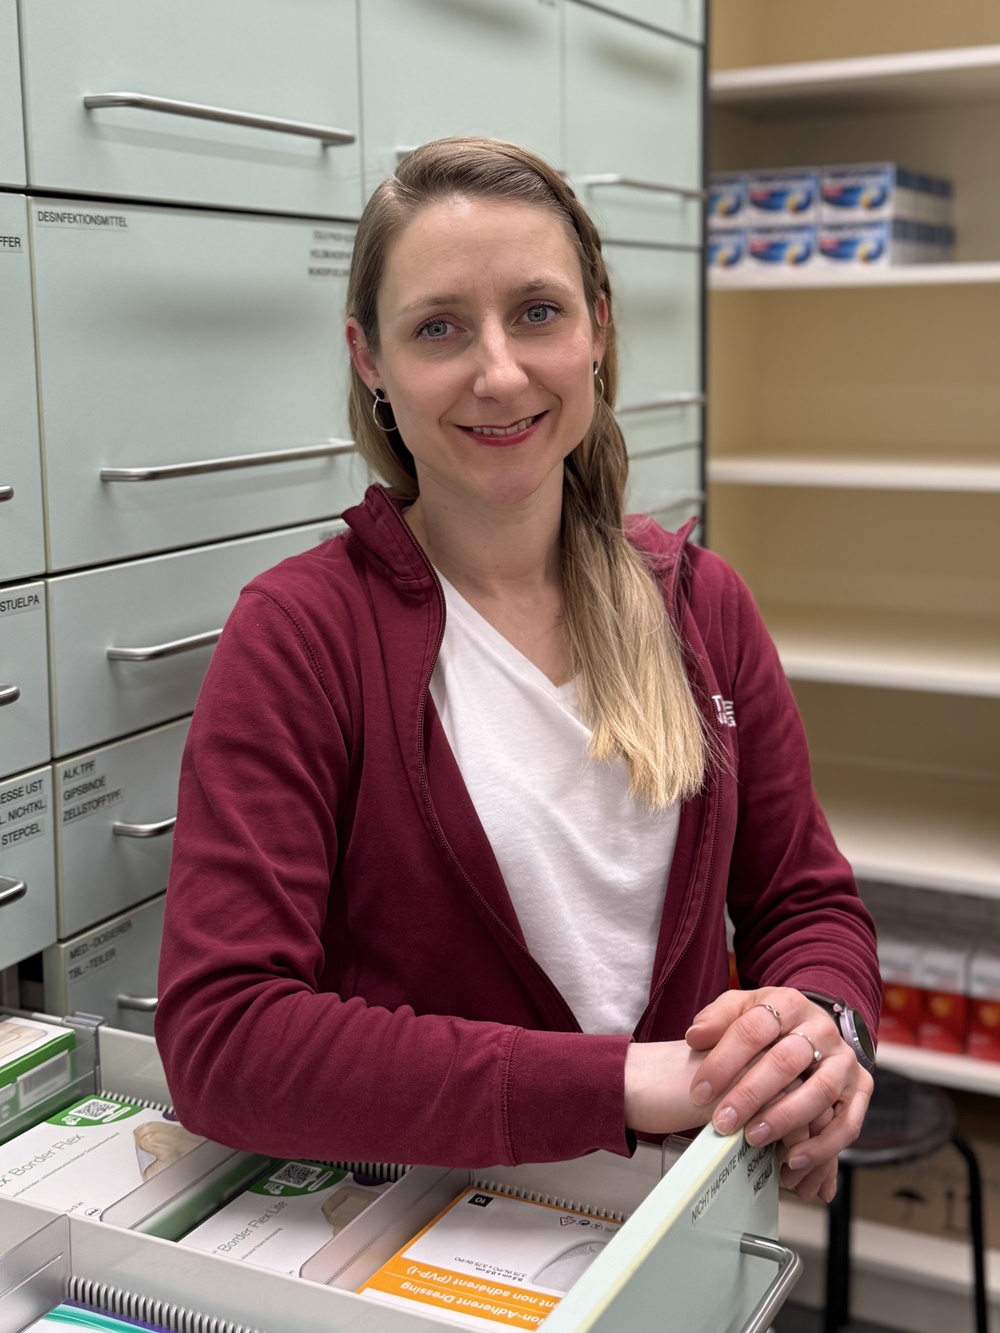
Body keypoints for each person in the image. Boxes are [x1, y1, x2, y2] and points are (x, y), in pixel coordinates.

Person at [156, 136, 880, 1204]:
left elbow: (805, 902)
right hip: (425, 1242)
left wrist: (821, 1026)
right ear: (370, 359)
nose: (499, 373)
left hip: (675, 1227)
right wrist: (624, 1084)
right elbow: (226, 1039)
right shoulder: (302, 636)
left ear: (597, 329)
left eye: (537, 312)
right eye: (438, 327)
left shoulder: (699, 605)